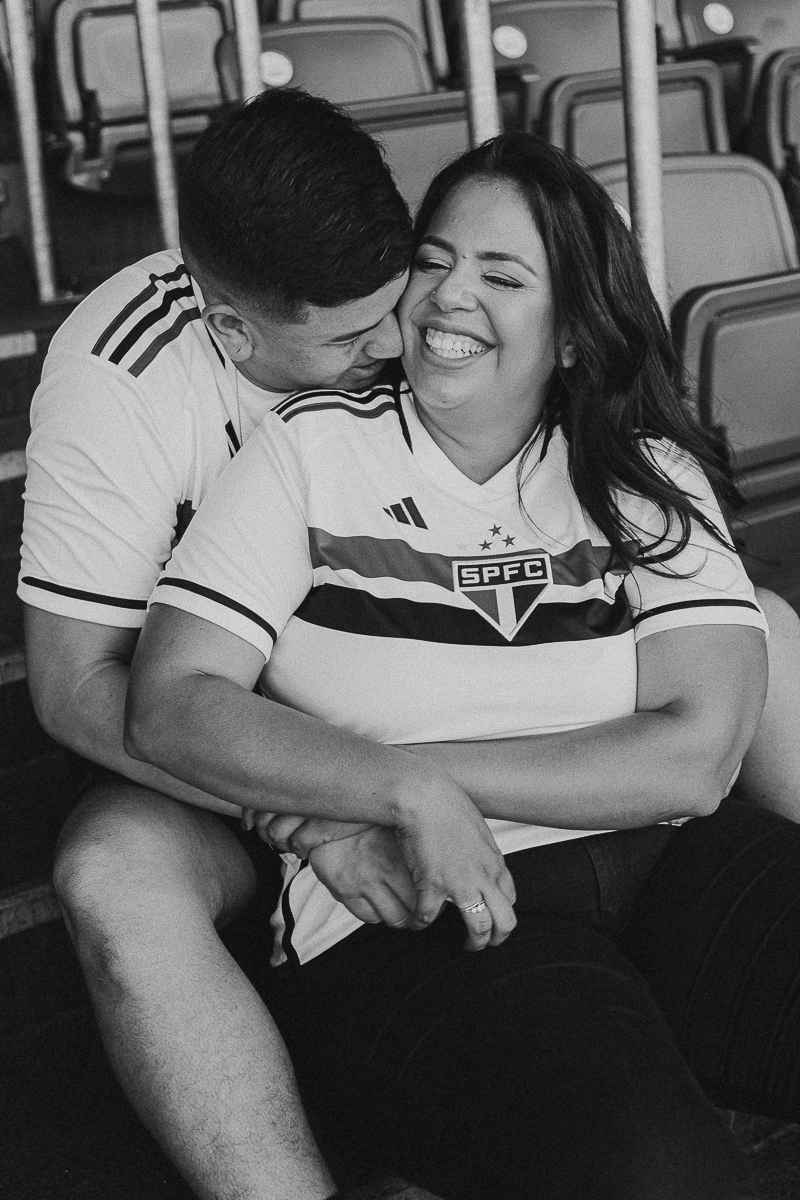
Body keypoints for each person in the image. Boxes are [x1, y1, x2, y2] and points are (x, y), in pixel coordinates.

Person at [125, 132, 800, 1198]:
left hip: (672, 867)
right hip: (412, 917)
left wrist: (421, 782)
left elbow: (693, 759)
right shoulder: (307, 450)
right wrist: (403, 802)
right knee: (652, 1170)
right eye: (433, 261)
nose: (449, 296)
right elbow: (170, 702)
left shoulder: (641, 469)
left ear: (571, 330)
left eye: (502, 275)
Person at [19, 88, 413, 1200]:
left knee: (762, 631)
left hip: (416, 687)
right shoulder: (121, 371)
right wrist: (309, 802)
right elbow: (73, 687)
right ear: (232, 328)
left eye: (391, 310)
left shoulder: (417, 297)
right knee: (111, 876)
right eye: (348, 338)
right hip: (214, 736)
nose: (396, 346)